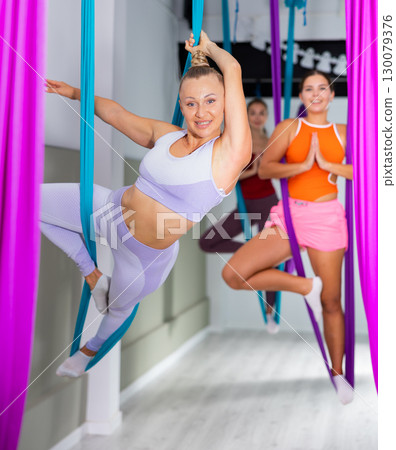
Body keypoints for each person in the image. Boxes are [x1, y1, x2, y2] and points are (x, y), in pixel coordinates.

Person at [42, 31, 251, 377]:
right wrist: (75, 93)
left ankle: (88, 352)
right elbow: (117, 114)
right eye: (191, 103)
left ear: (227, 102)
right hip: (108, 212)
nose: (201, 113)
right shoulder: (166, 134)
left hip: (143, 257)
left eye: (212, 101)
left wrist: (209, 47)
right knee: (27, 205)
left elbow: (233, 69)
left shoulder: (230, 155)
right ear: (181, 104)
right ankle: (93, 275)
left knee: (118, 310)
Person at [221, 70, 354, 405]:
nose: (316, 93)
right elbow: (265, 168)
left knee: (332, 303)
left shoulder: (343, 132)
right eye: (309, 89)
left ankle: (338, 374)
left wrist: (326, 164)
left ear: (331, 95)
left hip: (327, 218)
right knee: (233, 274)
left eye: (322, 88)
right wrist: (301, 166)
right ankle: (305, 286)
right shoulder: (288, 127)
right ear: (303, 96)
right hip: (289, 216)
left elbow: (365, 171)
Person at [199, 98, 279, 333]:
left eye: (261, 113)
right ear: (246, 114)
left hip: (268, 204)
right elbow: (229, 179)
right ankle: (249, 251)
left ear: (266, 116)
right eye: (252, 112)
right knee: (207, 241)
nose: (256, 116)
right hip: (245, 206)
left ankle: (270, 312)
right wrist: (254, 169)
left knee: (270, 260)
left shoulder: (272, 140)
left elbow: (274, 172)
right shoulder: (239, 139)